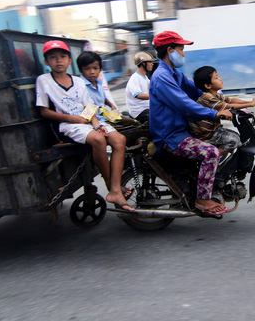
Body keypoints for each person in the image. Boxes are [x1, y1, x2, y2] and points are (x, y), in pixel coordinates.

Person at [35, 40, 134, 211]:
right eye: (53, 57)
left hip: (88, 122)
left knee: (120, 139)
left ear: (69, 60)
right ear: (46, 62)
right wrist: (73, 118)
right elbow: (44, 111)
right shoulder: (44, 80)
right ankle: (112, 187)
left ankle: (116, 189)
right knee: (99, 140)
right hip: (68, 125)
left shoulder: (78, 82)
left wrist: (97, 125)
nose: (58, 61)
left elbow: (89, 108)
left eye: (63, 57)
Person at [149, 31, 232, 216]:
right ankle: (202, 199)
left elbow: (198, 92)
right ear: (170, 50)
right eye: (181, 49)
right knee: (211, 153)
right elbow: (184, 104)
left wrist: (228, 103)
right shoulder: (162, 77)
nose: (184, 54)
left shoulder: (175, 74)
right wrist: (215, 113)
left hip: (182, 131)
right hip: (170, 137)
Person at [190, 65, 255, 155]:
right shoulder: (207, 98)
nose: (220, 79)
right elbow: (228, 106)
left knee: (235, 137)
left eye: (218, 76)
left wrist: (250, 102)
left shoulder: (215, 95)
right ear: (208, 85)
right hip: (205, 134)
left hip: (212, 130)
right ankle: (211, 157)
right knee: (234, 140)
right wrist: (250, 105)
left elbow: (231, 100)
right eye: (216, 78)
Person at [125, 51, 155, 123]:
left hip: (146, 107)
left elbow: (154, 89)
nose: (152, 64)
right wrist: (154, 96)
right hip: (138, 111)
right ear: (143, 63)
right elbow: (138, 95)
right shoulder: (135, 77)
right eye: (150, 62)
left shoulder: (145, 78)